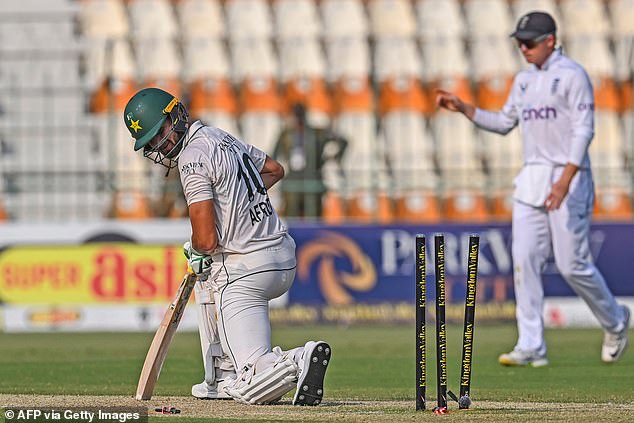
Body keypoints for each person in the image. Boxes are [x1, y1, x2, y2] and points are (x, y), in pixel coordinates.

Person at [436, 11, 630, 366]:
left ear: (550, 41)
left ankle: (616, 320)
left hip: (567, 178)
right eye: (519, 42)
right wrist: (466, 109)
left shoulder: (573, 76)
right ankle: (531, 345)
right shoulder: (524, 81)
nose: (523, 48)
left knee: (572, 265)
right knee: (524, 260)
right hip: (531, 180)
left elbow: (584, 131)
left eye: (529, 42)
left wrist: (565, 180)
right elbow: (504, 122)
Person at [123, 87, 332, 405]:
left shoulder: (191, 158)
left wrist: (196, 248)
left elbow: (206, 240)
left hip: (246, 272)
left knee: (249, 387)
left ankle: (297, 360)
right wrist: (236, 207)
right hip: (281, 256)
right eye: (151, 141)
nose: (160, 144)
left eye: (160, 132)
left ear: (175, 115)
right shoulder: (220, 137)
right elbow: (274, 169)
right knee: (209, 275)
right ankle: (218, 376)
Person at [273, 103, 348, 218]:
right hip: (293, 180)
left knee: (313, 217)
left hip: (313, 179)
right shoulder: (286, 134)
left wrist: (330, 158)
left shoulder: (317, 133)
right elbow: (274, 155)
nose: (297, 119)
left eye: (300, 115)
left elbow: (343, 141)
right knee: (292, 217)